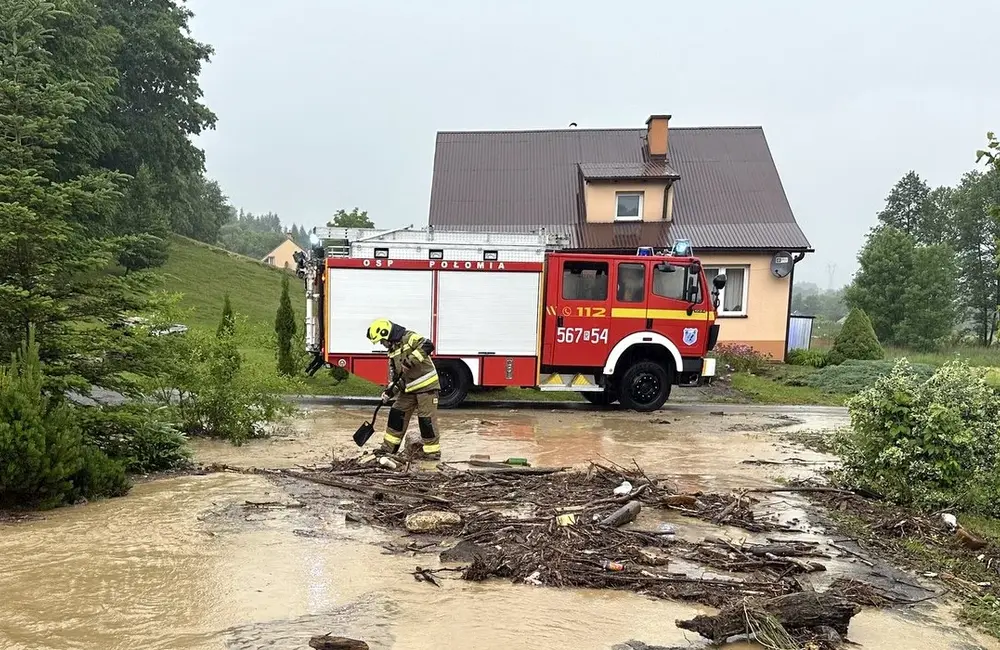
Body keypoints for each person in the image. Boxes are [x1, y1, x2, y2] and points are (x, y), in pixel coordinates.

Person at [366, 318, 442, 460]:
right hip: (408, 390)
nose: (382, 345)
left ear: (386, 333)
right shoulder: (392, 352)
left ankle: (432, 454)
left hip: (427, 388)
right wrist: (389, 392)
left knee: (426, 421)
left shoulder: (409, 337)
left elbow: (427, 345)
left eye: (382, 341)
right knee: (396, 414)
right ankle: (388, 449)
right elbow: (397, 379)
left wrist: (410, 361)